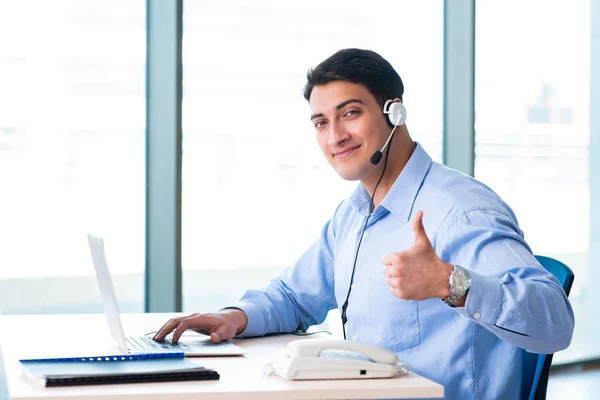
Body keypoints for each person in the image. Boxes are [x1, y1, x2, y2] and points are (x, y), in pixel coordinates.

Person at [153, 48, 574, 399]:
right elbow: (294, 295)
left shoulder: (459, 210)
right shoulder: (356, 212)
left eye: (349, 113)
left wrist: (450, 281)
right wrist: (235, 317)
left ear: (395, 113)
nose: (335, 136)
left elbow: (555, 319)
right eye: (321, 123)